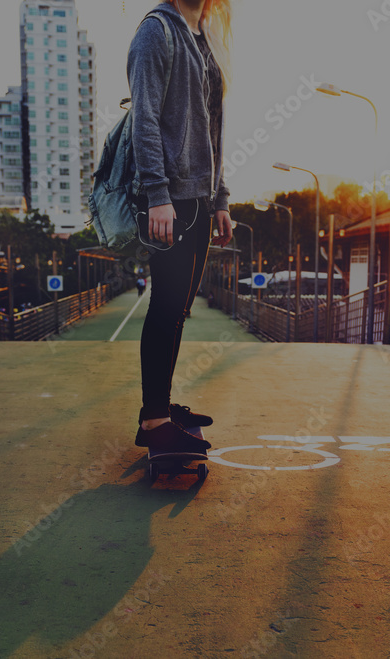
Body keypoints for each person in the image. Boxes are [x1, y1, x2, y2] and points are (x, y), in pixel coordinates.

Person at [128, 0, 233, 453]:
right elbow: (144, 116)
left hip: (200, 200)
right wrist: (157, 195)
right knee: (166, 307)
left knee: (179, 310)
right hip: (169, 201)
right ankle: (154, 420)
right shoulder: (157, 30)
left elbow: (213, 131)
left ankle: (160, 408)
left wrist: (222, 199)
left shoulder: (204, 39)